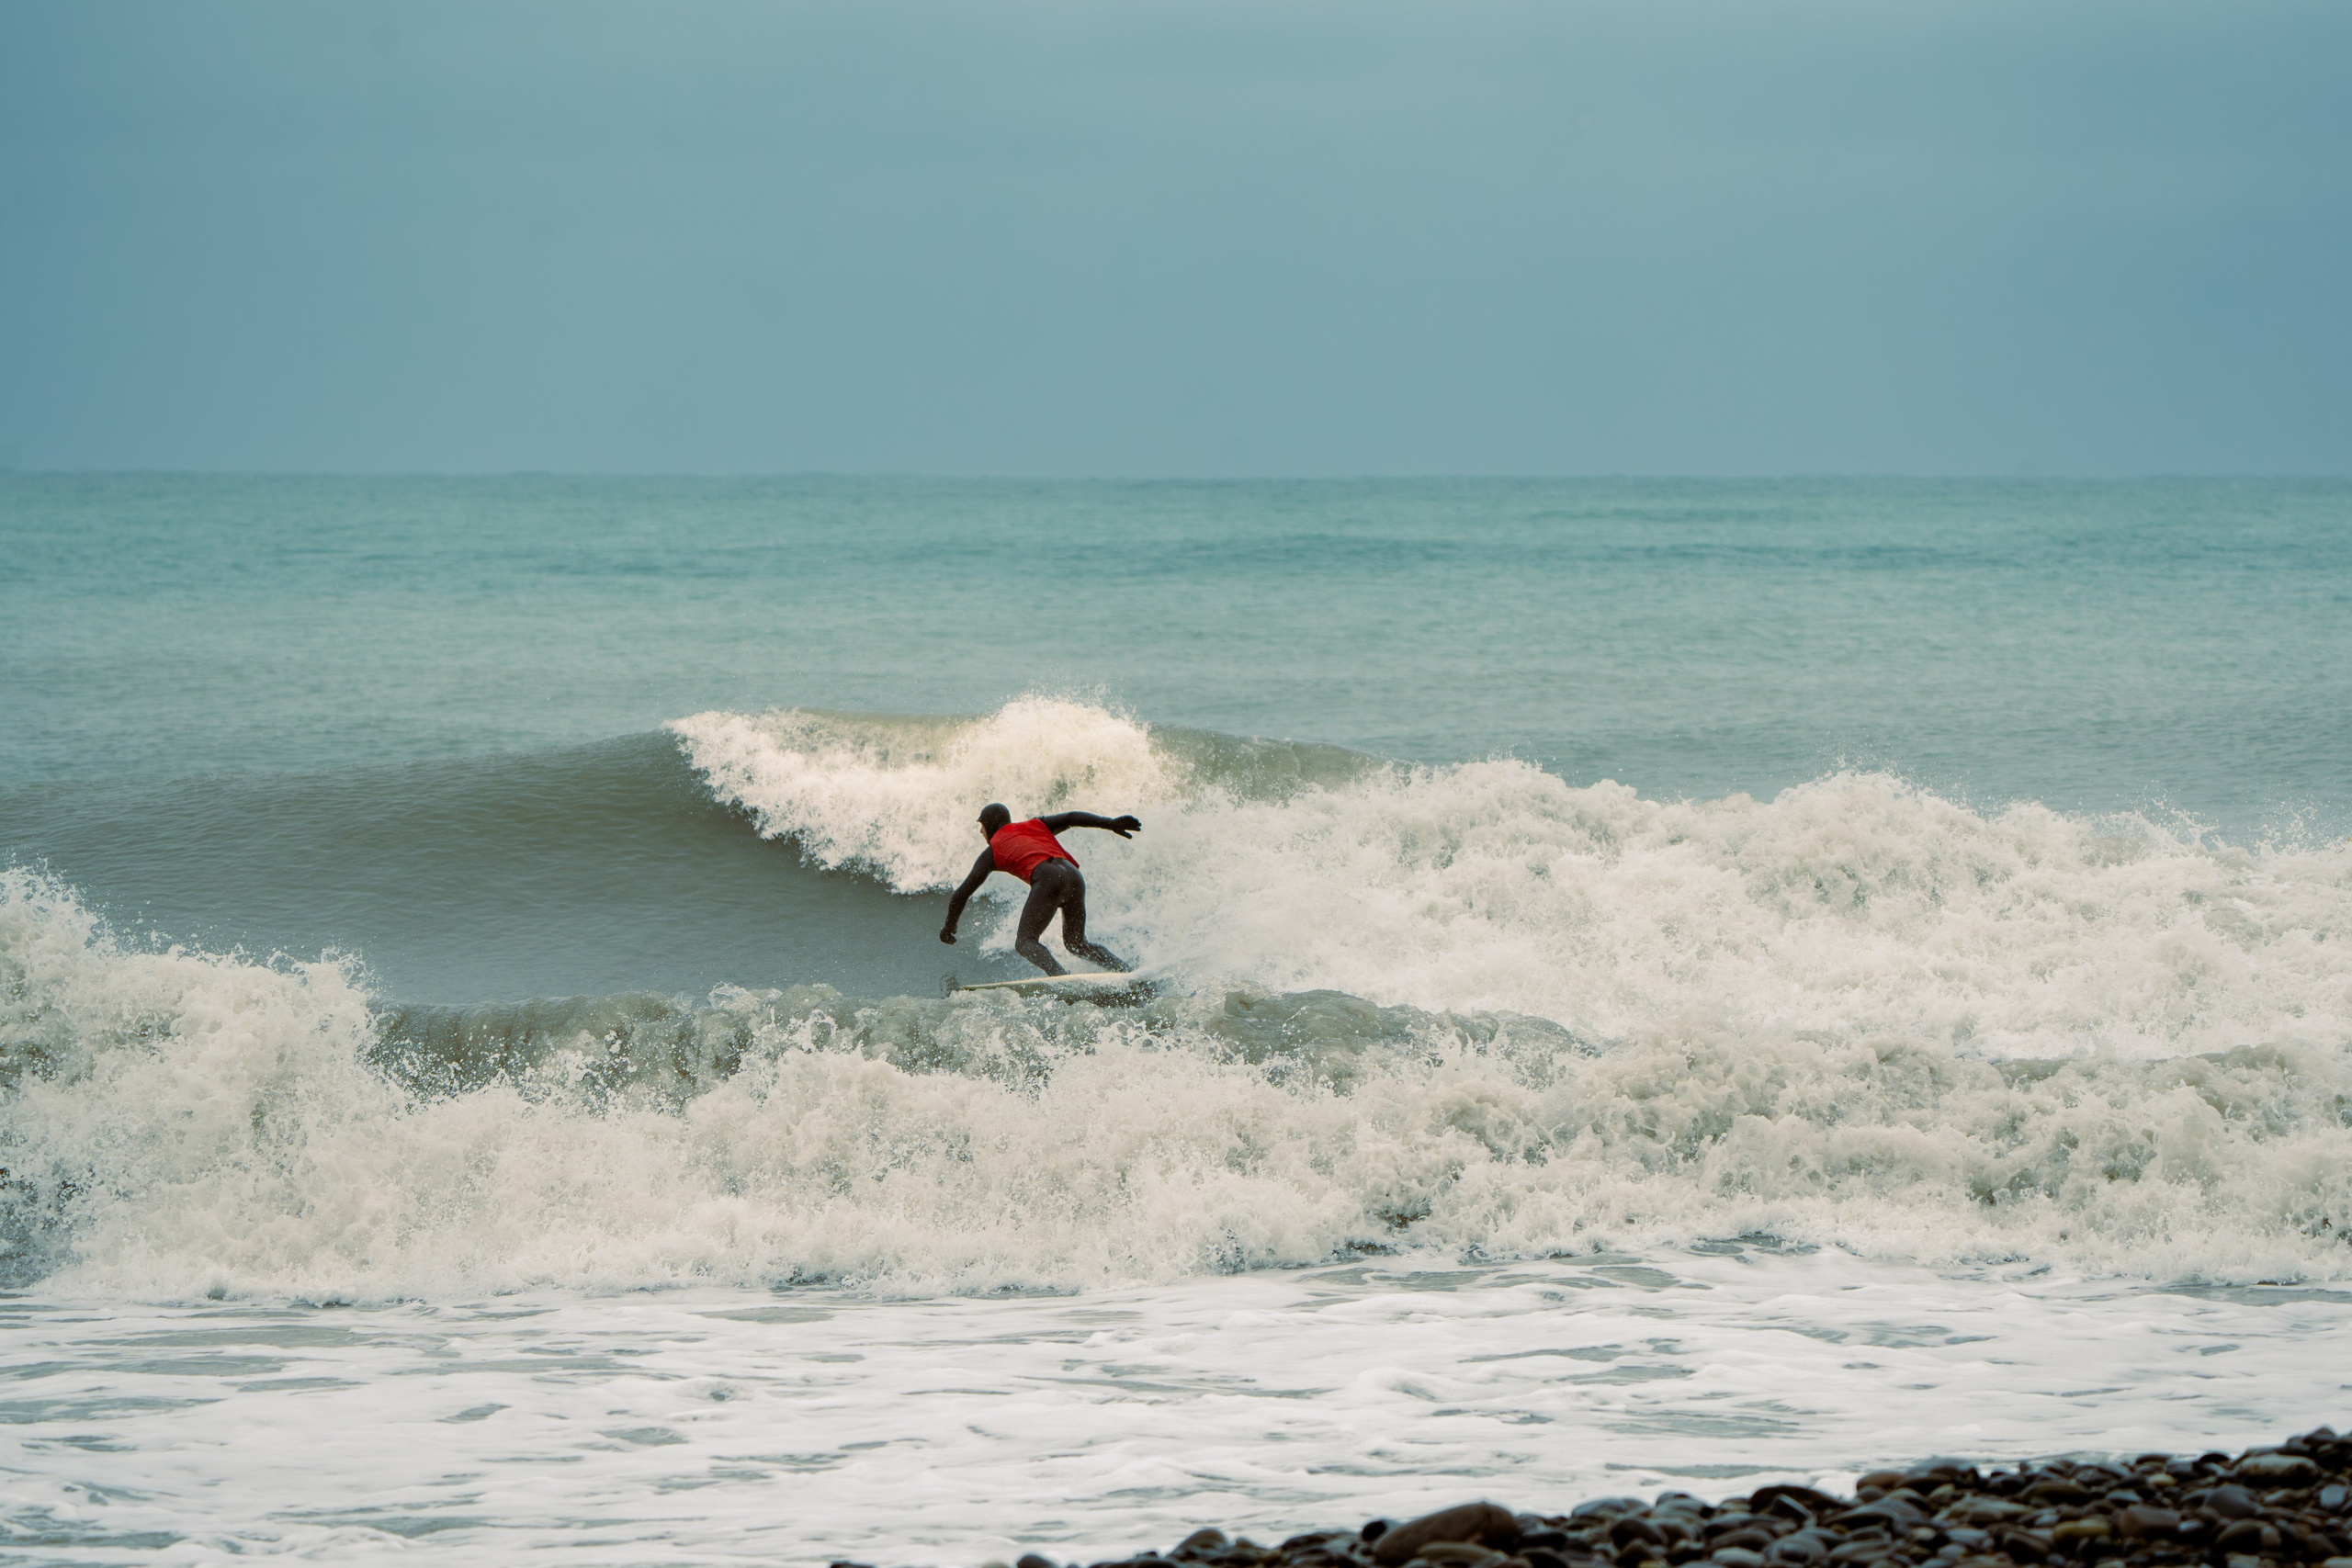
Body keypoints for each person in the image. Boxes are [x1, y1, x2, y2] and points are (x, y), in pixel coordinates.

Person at [939, 803, 1141, 976]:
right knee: (1076, 944)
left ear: (990, 825)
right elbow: (1071, 818)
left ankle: (1060, 979)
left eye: (981, 825)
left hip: (1048, 878)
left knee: (1025, 942)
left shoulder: (992, 851)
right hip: (1074, 876)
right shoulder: (1035, 824)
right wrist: (1111, 823)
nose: (980, 831)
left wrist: (949, 928)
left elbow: (961, 894)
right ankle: (1125, 970)